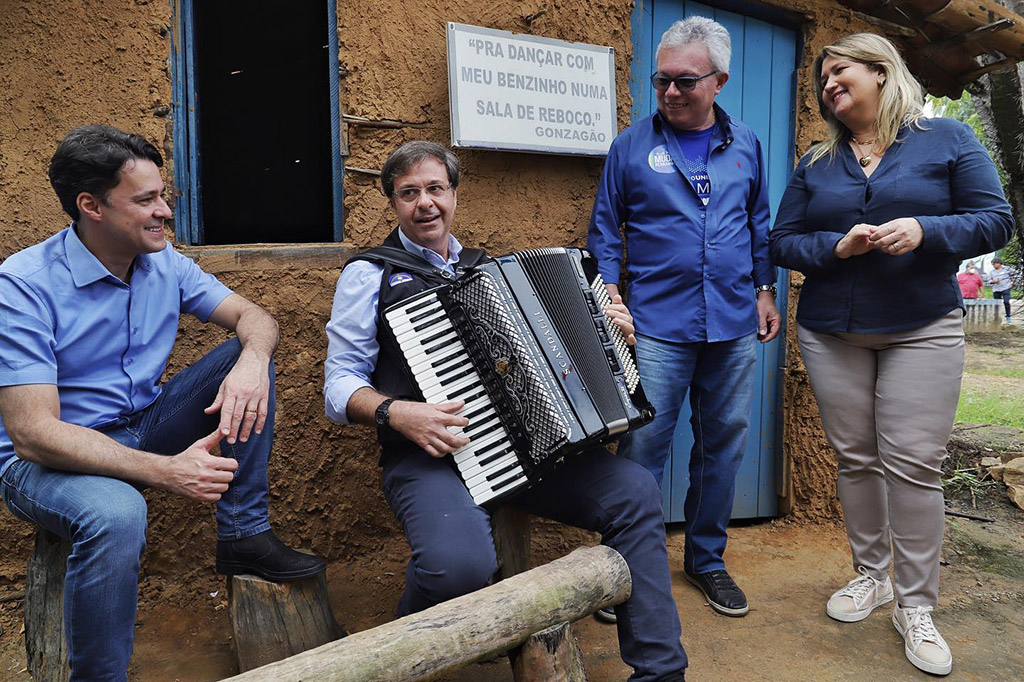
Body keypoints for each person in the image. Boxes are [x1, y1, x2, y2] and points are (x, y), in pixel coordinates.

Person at [324, 140, 689, 682]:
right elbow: (338, 384)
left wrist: (611, 339)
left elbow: (552, 367)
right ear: (392, 203)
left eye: (435, 189)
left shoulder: (485, 271)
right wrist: (398, 413)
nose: (424, 203)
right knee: (459, 568)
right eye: (408, 193)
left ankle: (661, 673)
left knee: (635, 491)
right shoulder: (370, 275)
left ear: (454, 194)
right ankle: (398, 647)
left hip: (514, 453)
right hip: (428, 457)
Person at [0, 125, 325, 680]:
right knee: (119, 514)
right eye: (146, 200)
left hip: (143, 423)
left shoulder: (165, 262)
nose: (165, 211)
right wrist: (166, 471)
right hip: (45, 461)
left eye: (164, 196)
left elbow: (256, 318)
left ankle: (243, 534)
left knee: (246, 358)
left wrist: (251, 365)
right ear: (91, 206)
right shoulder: (24, 284)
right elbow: (33, 433)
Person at [768, 34, 1013, 676]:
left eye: (840, 71)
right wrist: (835, 249)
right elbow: (783, 240)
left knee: (913, 465)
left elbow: (995, 220)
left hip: (920, 325)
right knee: (855, 459)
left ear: (881, 71)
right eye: (822, 79)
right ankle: (870, 575)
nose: (828, 85)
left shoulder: (948, 142)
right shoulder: (817, 161)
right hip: (832, 328)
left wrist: (927, 230)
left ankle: (916, 604)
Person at [587, 16, 780, 620]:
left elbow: (758, 224)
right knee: (644, 447)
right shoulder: (631, 146)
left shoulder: (746, 143)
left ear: (719, 80)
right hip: (654, 326)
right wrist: (609, 292)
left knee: (723, 446)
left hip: (732, 325)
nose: (669, 92)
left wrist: (766, 288)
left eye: (684, 81)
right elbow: (605, 228)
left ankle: (707, 560)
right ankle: (622, 569)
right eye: (661, 81)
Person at [987, 257, 1014, 323]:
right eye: (992, 264)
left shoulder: (1007, 269)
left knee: (1006, 302)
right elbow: (989, 281)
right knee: (997, 304)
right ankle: (997, 317)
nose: (993, 265)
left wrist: (1012, 283)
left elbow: (1015, 274)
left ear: (999, 263)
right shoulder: (992, 272)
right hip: (996, 289)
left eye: (994, 264)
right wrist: (993, 281)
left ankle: (1008, 316)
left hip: (1006, 288)